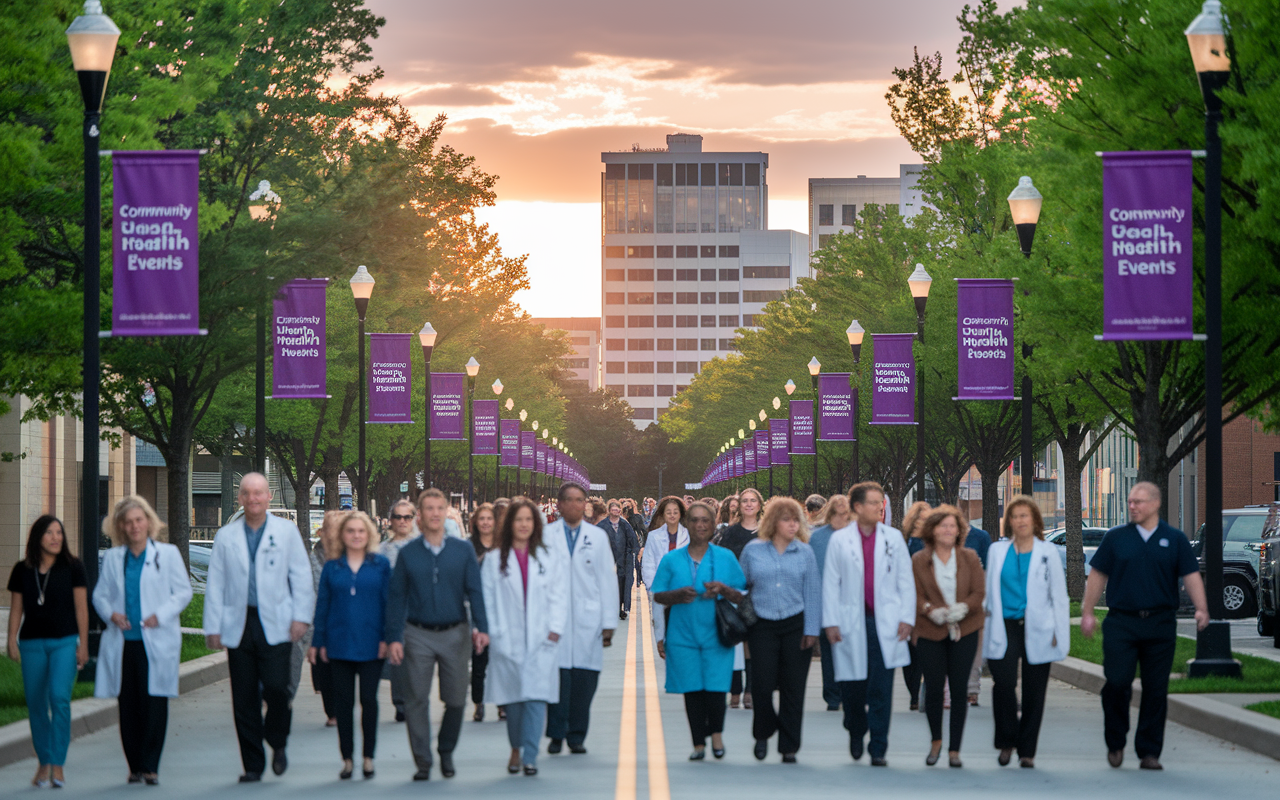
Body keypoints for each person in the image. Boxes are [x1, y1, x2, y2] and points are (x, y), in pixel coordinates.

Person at [1082, 481, 1208, 771]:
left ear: (1155, 503)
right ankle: (1115, 740)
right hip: (1121, 622)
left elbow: (1190, 575)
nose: (1133, 506)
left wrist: (1201, 609)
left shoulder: (1174, 539)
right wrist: (1087, 612)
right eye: (1130, 501)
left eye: (1138, 501)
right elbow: (1098, 575)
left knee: (1155, 689)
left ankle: (1149, 751)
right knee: (1116, 682)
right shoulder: (1116, 538)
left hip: (1160, 623)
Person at [204, 473, 314, 782]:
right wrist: (213, 626)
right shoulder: (226, 537)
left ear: (269, 498)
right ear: (239, 498)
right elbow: (216, 584)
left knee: (278, 689)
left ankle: (277, 740)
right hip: (239, 624)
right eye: (247, 493)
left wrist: (301, 618)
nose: (253, 498)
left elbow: (302, 577)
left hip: (276, 622)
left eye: (259, 493)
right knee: (244, 697)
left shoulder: (286, 531)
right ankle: (253, 764)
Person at [385, 488, 489, 781]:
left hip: (456, 631)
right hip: (417, 633)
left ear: (446, 513)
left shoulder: (462, 550)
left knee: (456, 699)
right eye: (427, 508)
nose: (433, 513)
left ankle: (445, 749)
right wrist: (394, 637)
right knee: (416, 698)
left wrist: (482, 627)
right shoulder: (408, 554)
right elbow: (396, 598)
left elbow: (476, 591)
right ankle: (423, 760)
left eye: (438, 508)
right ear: (419, 516)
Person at [93, 496, 192, 785]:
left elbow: (183, 592)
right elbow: (99, 595)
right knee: (129, 703)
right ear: (120, 527)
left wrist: (159, 615)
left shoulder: (167, 553)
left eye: (139, 520)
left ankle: (150, 765)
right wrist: (112, 614)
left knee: (154, 702)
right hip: (124, 641)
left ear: (148, 522)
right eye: (128, 522)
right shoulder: (113, 559)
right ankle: (134, 765)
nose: (134, 526)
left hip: (156, 640)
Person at [822, 482, 915, 767]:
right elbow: (831, 584)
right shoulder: (840, 540)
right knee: (852, 688)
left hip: (883, 623)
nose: (879, 507)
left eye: (881, 502)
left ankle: (878, 747)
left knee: (881, 688)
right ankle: (855, 728)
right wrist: (831, 622)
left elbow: (905, 581)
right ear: (858, 507)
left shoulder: (893, 538)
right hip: (851, 621)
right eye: (873, 502)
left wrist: (906, 618)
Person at [650, 501, 747, 761]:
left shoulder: (725, 557)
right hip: (683, 633)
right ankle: (698, 744)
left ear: (713, 524)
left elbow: (742, 595)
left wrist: (723, 590)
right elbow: (658, 595)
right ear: (686, 524)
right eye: (694, 520)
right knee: (692, 688)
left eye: (706, 520)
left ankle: (716, 735)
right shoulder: (672, 559)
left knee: (716, 686)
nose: (701, 525)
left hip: (716, 632)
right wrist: (676, 595)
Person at [481, 497, 569, 776]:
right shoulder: (494, 560)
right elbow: (488, 602)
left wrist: (555, 628)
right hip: (506, 638)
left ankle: (530, 755)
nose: (523, 524)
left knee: (535, 699)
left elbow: (559, 595)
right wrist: (495, 633)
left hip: (543, 637)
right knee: (514, 701)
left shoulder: (546, 557)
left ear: (535, 524)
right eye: (518, 519)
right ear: (510, 524)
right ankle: (516, 747)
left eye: (528, 520)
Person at [984, 496, 1069, 769]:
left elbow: (1059, 596)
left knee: (1035, 690)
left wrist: (1059, 630)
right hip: (1004, 625)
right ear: (1008, 521)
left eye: (1025, 516)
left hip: (1038, 626)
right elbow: (989, 593)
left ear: (1034, 520)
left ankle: (1027, 750)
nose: (1020, 521)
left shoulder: (1048, 553)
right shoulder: (997, 551)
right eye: (1015, 516)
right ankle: (1007, 740)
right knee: (1004, 684)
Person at [7, 516, 88, 789]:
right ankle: (43, 763)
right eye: (50, 533)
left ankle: (58, 765)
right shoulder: (22, 570)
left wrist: (84, 645)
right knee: (37, 705)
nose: (56, 537)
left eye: (59, 533)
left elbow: (81, 609)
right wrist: (10, 639)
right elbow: (17, 609)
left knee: (59, 698)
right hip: (31, 645)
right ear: (37, 537)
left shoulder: (73, 567)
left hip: (65, 643)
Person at [310, 511, 391, 780]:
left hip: (372, 645)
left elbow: (388, 605)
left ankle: (368, 757)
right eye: (351, 531)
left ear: (369, 535)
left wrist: (387, 639)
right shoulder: (333, 567)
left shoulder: (380, 565)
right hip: (339, 644)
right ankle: (347, 759)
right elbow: (322, 606)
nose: (356, 536)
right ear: (342, 536)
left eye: (361, 531)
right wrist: (317, 641)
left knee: (368, 700)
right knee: (343, 703)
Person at [739, 497, 822, 763]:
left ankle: (789, 746)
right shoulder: (753, 550)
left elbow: (813, 592)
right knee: (761, 686)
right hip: (762, 624)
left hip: (795, 624)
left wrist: (812, 630)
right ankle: (763, 733)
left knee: (793, 688)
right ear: (774, 521)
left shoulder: (805, 552)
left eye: (796, 519)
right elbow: (742, 586)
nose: (793, 524)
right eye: (787, 519)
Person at [544, 482, 619, 755]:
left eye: (580, 500)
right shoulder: (546, 535)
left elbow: (607, 580)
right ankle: (555, 734)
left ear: (585, 505)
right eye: (569, 500)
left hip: (589, 619)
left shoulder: (597, 537)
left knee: (584, 683)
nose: (575, 505)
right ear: (560, 505)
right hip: (555, 619)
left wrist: (609, 623)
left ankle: (576, 736)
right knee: (556, 681)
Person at [912, 505, 986, 768]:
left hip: (963, 630)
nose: (947, 530)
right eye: (942, 525)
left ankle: (954, 749)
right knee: (933, 689)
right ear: (932, 530)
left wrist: (962, 608)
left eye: (952, 526)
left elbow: (979, 592)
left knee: (958, 690)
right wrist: (929, 610)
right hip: (930, 630)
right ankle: (936, 741)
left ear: (959, 531)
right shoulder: (920, 560)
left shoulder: (969, 557)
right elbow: (915, 593)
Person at [714, 488, 760, 709]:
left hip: (758, 593)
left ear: (760, 505)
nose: (749, 504)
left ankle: (750, 689)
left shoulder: (766, 532)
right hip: (733, 592)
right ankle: (735, 689)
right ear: (739, 506)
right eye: (745, 501)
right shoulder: (730, 533)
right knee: (735, 640)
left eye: (753, 501)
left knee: (753, 644)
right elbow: (720, 559)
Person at [808, 495, 851, 712]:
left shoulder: (857, 536)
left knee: (849, 649)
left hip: (852, 603)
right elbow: (812, 571)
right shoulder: (817, 538)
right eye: (837, 513)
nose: (841, 518)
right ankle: (833, 696)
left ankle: (848, 692)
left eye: (845, 514)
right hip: (827, 602)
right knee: (829, 650)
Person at [379, 498, 420, 723]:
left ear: (414, 520)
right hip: (394, 610)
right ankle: (401, 703)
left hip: (419, 610)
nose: (402, 521)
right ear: (391, 520)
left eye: (407, 517)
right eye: (398, 517)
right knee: (398, 658)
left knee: (418, 659)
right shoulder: (381, 550)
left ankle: (416, 699)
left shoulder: (423, 546)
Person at [642, 496, 689, 654]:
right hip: (662, 589)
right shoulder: (654, 536)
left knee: (682, 627)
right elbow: (648, 563)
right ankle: (664, 646)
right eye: (668, 512)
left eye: (676, 512)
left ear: (681, 514)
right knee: (663, 625)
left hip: (683, 588)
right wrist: (652, 587)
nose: (672, 515)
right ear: (663, 514)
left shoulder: (689, 536)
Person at [900, 500, 932, 710]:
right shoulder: (904, 542)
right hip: (908, 600)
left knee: (926, 649)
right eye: (919, 518)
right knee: (909, 652)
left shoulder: (934, 543)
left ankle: (923, 691)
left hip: (929, 601)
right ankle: (913, 692)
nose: (922, 522)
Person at [469, 503, 498, 722]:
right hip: (477, 608)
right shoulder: (468, 547)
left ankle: (502, 704)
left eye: (490, 518)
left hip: (500, 609)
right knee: (479, 660)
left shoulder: (502, 546)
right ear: (476, 522)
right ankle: (478, 703)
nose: (486, 522)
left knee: (500, 662)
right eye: (482, 519)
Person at [310, 514, 339, 728]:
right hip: (321, 620)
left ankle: (342, 707)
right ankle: (332, 712)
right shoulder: (313, 558)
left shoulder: (355, 556)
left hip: (347, 621)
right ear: (323, 533)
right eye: (332, 529)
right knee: (326, 667)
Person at [962, 515, 993, 707]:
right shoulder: (938, 536)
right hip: (947, 600)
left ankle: (972, 689)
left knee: (976, 645)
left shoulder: (981, 538)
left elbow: (988, 571)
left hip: (976, 600)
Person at [601, 500, 641, 620]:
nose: (616, 511)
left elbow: (633, 539)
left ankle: (621, 608)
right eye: (613, 509)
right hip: (608, 558)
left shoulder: (625, 524)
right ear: (609, 511)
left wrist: (634, 551)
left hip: (623, 559)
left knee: (622, 584)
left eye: (618, 509)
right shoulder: (603, 525)